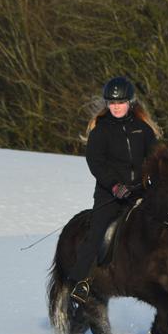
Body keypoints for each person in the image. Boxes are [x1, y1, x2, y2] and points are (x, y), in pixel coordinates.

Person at [66, 75, 160, 305]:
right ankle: (81, 281)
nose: (116, 107)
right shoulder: (101, 132)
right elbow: (96, 163)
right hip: (110, 194)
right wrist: (115, 185)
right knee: (97, 230)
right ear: (107, 104)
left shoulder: (143, 130)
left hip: (140, 192)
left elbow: (155, 157)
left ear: (130, 102)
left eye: (121, 102)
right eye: (112, 103)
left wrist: (152, 179)